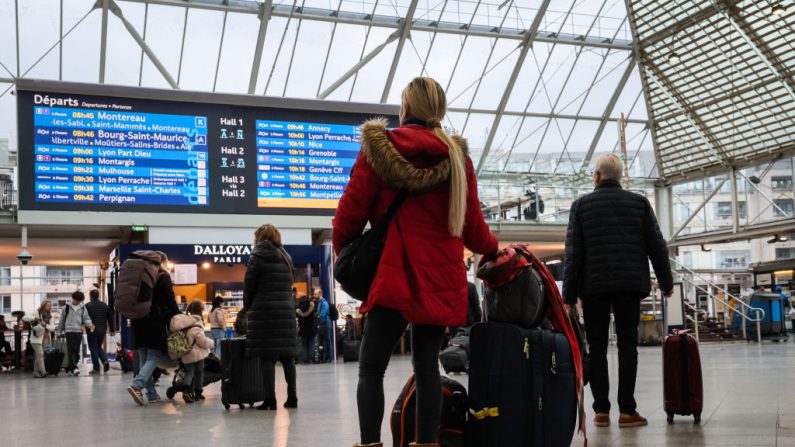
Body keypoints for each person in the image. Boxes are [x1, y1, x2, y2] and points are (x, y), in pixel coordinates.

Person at [333, 77, 498, 447]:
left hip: (395, 271)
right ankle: (426, 443)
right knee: (426, 367)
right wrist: (494, 246)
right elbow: (473, 227)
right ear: (439, 112)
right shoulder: (457, 158)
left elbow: (350, 213)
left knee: (372, 367)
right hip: (441, 276)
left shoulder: (379, 150)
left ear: (405, 108)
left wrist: (347, 252)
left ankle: (370, 443)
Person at [562, 153, 674, 429]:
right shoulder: (639, 203)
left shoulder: (581, 206)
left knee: (597, 346)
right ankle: (627, 410)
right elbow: (656, 246)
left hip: (594, 287)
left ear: (597, 176)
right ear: (620, 177)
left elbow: (573, 254)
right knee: (627, 345)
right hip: (629, 285)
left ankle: (601, 411)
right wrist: (667, 283)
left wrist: (569, 295)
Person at [242, 224, 298, 410]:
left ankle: (270, 400)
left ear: (258, 237)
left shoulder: (257, 257)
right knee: (288, 357)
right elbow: (291, 282)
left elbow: (249, 287)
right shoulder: (285, 257)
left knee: (267, 357)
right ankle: (292, 397)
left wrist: (246, 308)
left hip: (264, 311)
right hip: (286, 310)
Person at [127, 251, 180, 406]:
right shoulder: (162, 276)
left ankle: (151, 394)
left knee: (144, 359)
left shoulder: (139, 276)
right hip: (154, 322)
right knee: (153, 357)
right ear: (162, 262)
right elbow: (171, 301)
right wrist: (179, 316)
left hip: (137, 321)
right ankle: (137, 385)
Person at [170, 300, 214, 403]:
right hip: (198, 354)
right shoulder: (196, 324)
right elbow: (202, 341)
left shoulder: (184, 322)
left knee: (189, 373)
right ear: (201, 311)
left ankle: (186, 391)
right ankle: (198, 393)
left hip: (185, 353)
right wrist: (212, 343)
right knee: (199, 373)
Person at [58, 291, 94, 376]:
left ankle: (72, 367)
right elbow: (62, 320)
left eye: (79, 301)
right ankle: (74, 368)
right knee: (71, 350)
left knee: (77, 350)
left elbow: (86, 319)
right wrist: (59, 331)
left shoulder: (83, 307)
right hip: (69, 331)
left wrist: (91, 326)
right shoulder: (66, 308)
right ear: (73, 299)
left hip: (78, 331)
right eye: (76, 300)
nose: (78, 302)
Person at [85, 289, 115, 374]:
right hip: (102, 330)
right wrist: (112, 330)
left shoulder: (87, 306)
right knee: (98, 347)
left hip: (92, 330)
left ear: (90, 296)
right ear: (98, 296)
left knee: (93, 348)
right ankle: (105, 361)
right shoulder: (105, 306)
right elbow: (110, 319)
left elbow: (84, 318)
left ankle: (96, 368)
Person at [24, 301, 56, 378]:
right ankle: (43, 371)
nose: (50, 307)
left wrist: (45, 325)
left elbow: (52, 328)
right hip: (36, 338)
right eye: (48, 305)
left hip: (46, 338)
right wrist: (34, 318)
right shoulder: (37, 313)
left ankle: (35, 372)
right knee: (40, 354)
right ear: (43, 305)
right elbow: (24, 318)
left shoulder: (50, 316)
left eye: (51, 305)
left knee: (39, 355)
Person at [295, 294, 316, 364]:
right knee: (311, 344)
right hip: (311, 328)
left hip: (303, 329)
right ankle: (311, 359)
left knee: (303, 345)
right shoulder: (311, 306)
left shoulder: (298, 309)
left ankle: (304, 359)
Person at [314, 288, 333, 363]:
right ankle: (322, 356)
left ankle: (328, 357)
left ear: (320, 294)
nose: (314, 295)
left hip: (325, 324)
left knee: (327, 341)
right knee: (321, 342)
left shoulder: (324, 303)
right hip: (321, 324)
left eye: (315, 294)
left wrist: (317, 315)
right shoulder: (319, 303)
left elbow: (322, 314)